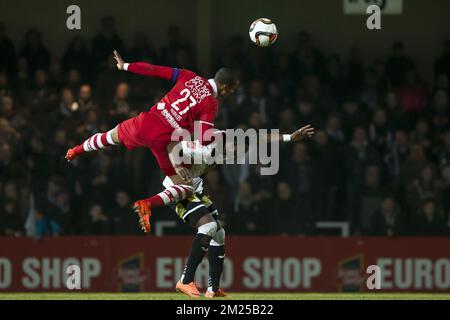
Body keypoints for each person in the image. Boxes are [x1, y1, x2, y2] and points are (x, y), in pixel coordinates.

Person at [65, 50, 239, 233]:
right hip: (163, 142)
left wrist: (125, 66)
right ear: (226, 87)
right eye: (233, 89)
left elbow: (155, 70)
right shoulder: (210, 103)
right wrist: (223, 137)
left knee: (109, 136)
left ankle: (75, 150)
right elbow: (204, 136)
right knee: (185, 188)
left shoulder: (189, 76)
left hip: (145, 123)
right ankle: (147, 203)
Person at [160, 124, 314, 298]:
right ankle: (185, 280)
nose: (235, 154)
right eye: (234, 150)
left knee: (219, 234)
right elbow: (171, 144)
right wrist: (177, 165)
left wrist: (290, 138)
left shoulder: (230, 148)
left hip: (194, 188)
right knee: (208, 227)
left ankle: (213, 288)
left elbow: (260, 137)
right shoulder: (207, 144)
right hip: (176, 188)